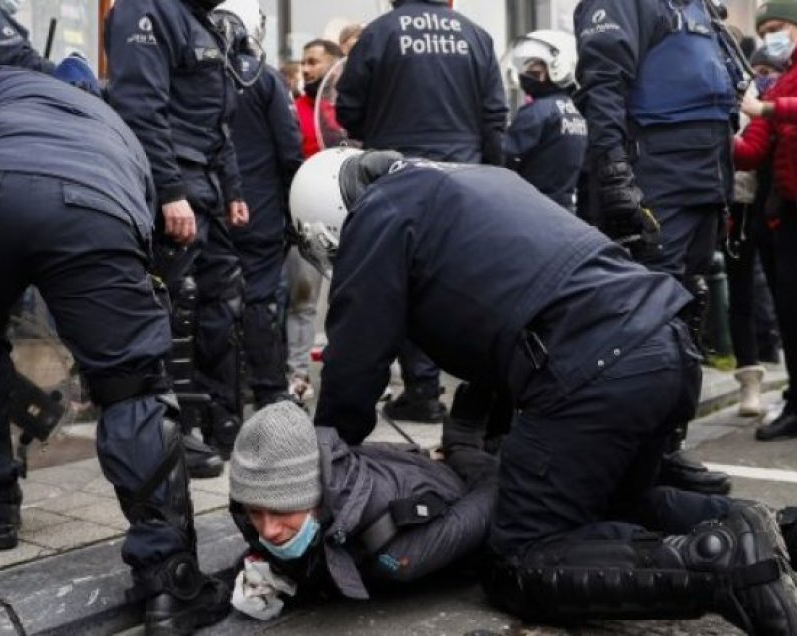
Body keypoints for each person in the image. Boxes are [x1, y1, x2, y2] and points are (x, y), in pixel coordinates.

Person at [291, 147, 797, 634]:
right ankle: (774, 531)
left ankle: (723, 564)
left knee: (520, 559)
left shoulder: (378, 213)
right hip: (664, 343)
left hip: (593, 368)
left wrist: (322, 461)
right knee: (613, 509)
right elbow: (520, 296)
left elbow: (355, 357)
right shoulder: (475, 181)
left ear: (328, 222)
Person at [0, 66, 229, 634]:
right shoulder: (115, 124)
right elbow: (143, 237)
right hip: (89, 207)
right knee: (132, 386)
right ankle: (169, 582)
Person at [574, 0, 737, 495]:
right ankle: (636, 456)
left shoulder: (697, 7)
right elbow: (603, 81)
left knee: (687, 310)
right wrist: (614, 171)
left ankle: (665, 445)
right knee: (649, 317)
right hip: (657, 171)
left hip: (705, 171)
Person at [336, 0, 508, 425]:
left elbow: (348, 109)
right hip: (463, 177)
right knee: (467, 280)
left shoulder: (380, 32)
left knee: (402, 278)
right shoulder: (475, 34)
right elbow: (494, 116)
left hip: (399, 173)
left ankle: (422, 390)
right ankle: (480, 390)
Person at [105, 0, 250, 477]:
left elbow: (219, 119)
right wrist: (169, 190)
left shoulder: (200, 20)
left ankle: (223, 422)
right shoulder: (144, 10)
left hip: (206, 185)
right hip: (175, 182)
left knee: (222, 303)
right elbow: (141, 108)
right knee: (175, 306)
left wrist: (233, 190)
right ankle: (172, 432)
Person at [227, 399, 497, 618]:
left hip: (449, 485)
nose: (268, 530)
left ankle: (463, 439)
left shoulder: (397, 554)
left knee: (481, 466)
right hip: (400, 464)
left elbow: (493, 494)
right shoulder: (320, 467)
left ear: (317, 498)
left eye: (281, 511)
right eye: (255, 512)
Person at [213, 0, 303, 409]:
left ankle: (222, 405)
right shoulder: (264, 80)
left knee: (212, 302)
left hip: (209, 208)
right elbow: (289, 150)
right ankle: (269, 393)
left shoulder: (197, 76)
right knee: (259, 300)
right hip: (260, 210)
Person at [734, 0, 797, 442]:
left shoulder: (780, 93)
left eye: (780, 27)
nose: (773, 35)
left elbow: (770, 114)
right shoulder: (778, 82)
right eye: (766, 29)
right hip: (788, 212)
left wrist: (767, 112)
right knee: (791, 311)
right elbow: (754, 146)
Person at [726, 44, 785, 417]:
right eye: (757, 68)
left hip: (770, 212)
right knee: (740, 296)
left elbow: (751, 153)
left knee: (781, 296)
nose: (762, 75)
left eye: (770, 70)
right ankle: (749, 382)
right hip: (736, 213)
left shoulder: (768, 111)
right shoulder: (741, 105)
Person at [284, 38, 343, 402]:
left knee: (352, 302)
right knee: (302, 301)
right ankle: (297, 375)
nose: (306, 69)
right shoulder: (293, 109)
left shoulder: (351, 111)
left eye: (313, 62)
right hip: (307, 219)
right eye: (303, 63)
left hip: (349, 218)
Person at [503, 30, 587, 212]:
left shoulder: (537, 112)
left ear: (558, 66)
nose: (525, 73)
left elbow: (504, 158)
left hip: (533, 210)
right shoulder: (574, 111)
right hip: (565, 210)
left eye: (534, 67)